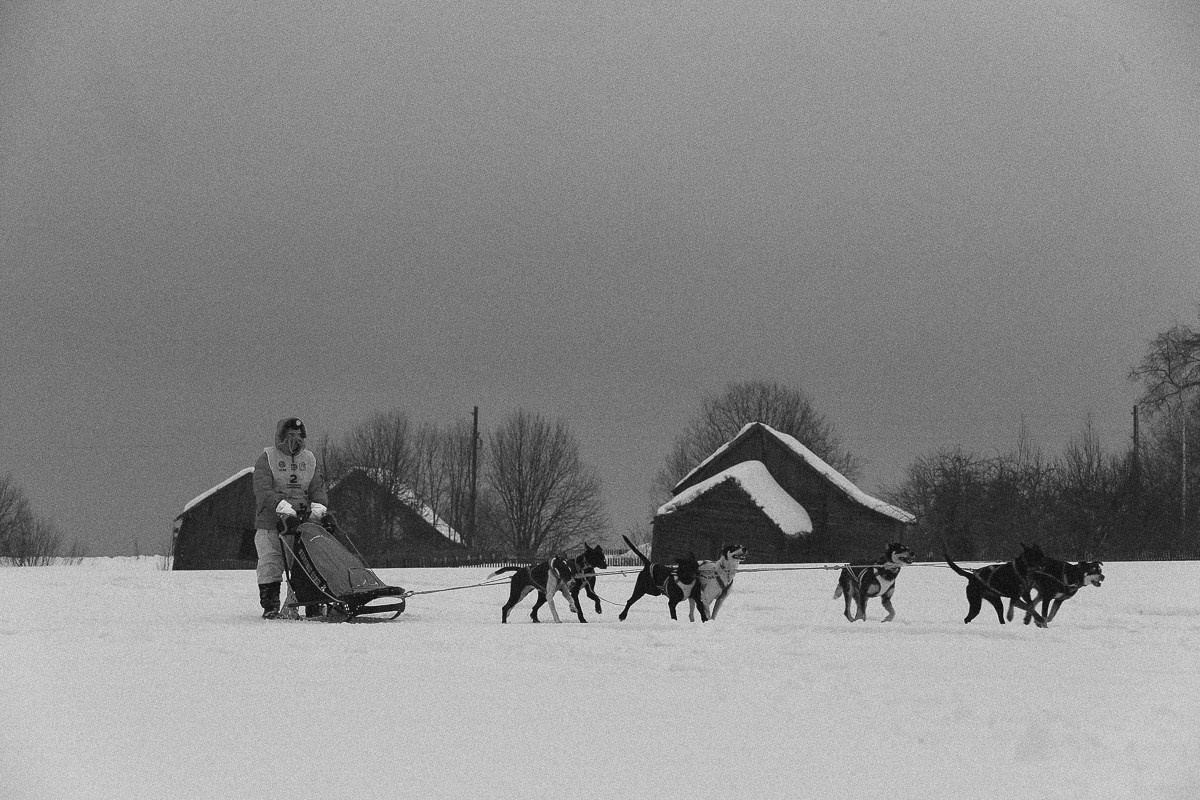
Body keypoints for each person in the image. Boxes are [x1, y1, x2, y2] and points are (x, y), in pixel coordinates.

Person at [252, 417, 331, 619]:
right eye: (289, 435)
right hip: (271, 523)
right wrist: (282, 508)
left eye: (297, 435)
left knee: (305, 564)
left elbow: (317, 487)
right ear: (281, 436)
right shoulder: (267, 458)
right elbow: (263, 490)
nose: (294, 439)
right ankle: (270, 606)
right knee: (271, 562)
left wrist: (319, 508)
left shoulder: (309, 459)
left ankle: (311, 604)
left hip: (302, 523)